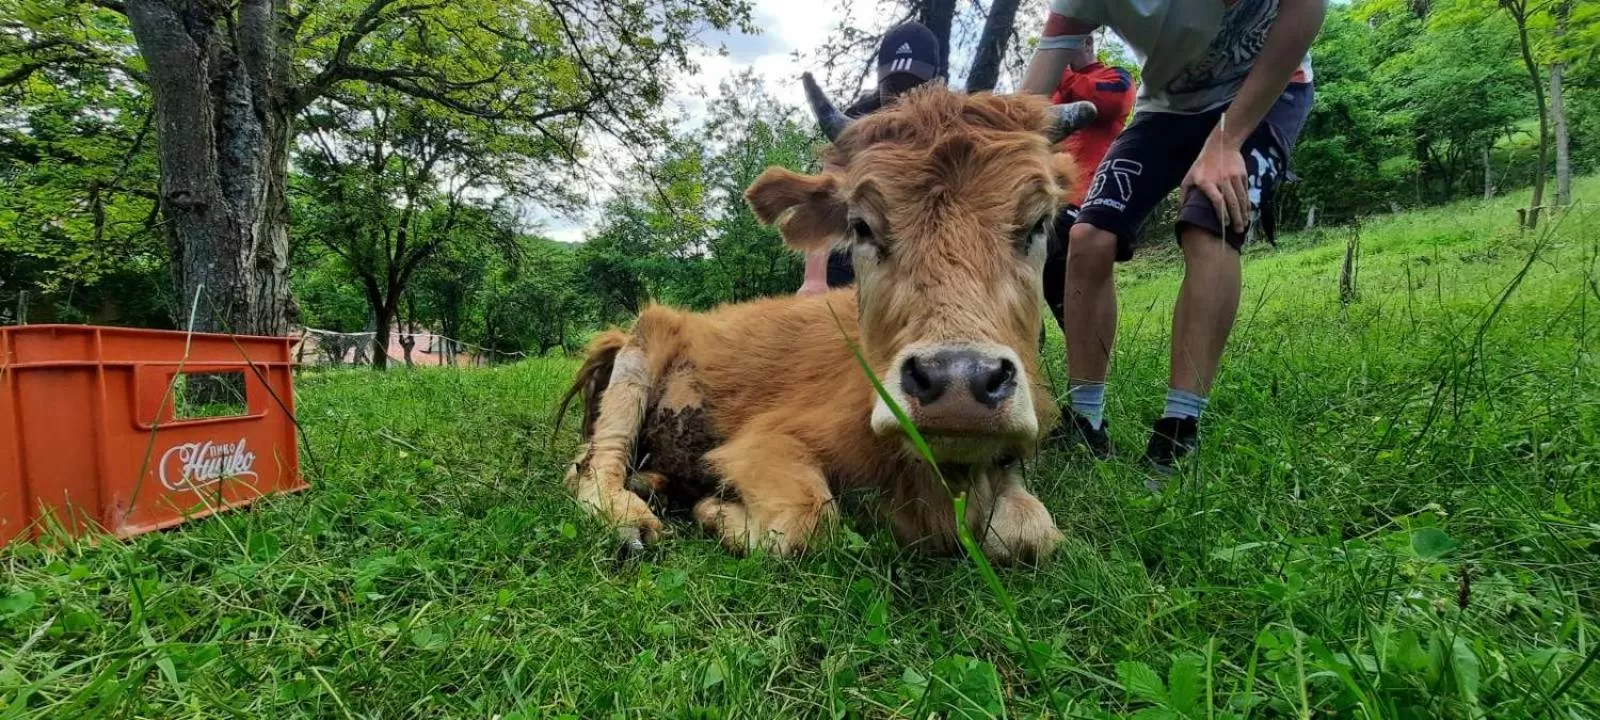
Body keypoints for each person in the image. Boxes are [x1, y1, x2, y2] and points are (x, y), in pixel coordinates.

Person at [1020, 0, 1323, 473]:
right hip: (1167, 109)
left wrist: (1226, 142)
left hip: (1265, 90)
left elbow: (1307, 8)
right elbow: (1026, 106)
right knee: (1088, 236)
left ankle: (1180, 430)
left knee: (1210, 224)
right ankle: (1085, 421)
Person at [796, 21, 943, 296]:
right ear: (879, 83)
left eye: (914, 88)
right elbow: (827, 192)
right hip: (861, 241)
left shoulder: (954, 125)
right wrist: (814, 279)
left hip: (928, 245)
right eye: (892, 88)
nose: (901, 99)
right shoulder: (856, 121)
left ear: (936, 82)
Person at [1040, 32, 1135, 370]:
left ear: (1087, 44)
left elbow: (1105, 104)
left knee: (1061, 268)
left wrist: (1058, 71)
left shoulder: (1115, 77)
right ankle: (1029, 338)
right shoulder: (1051, 95)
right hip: (1049, 200)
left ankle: (1087, 355)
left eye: (1071, 45)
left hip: (1090, 198)